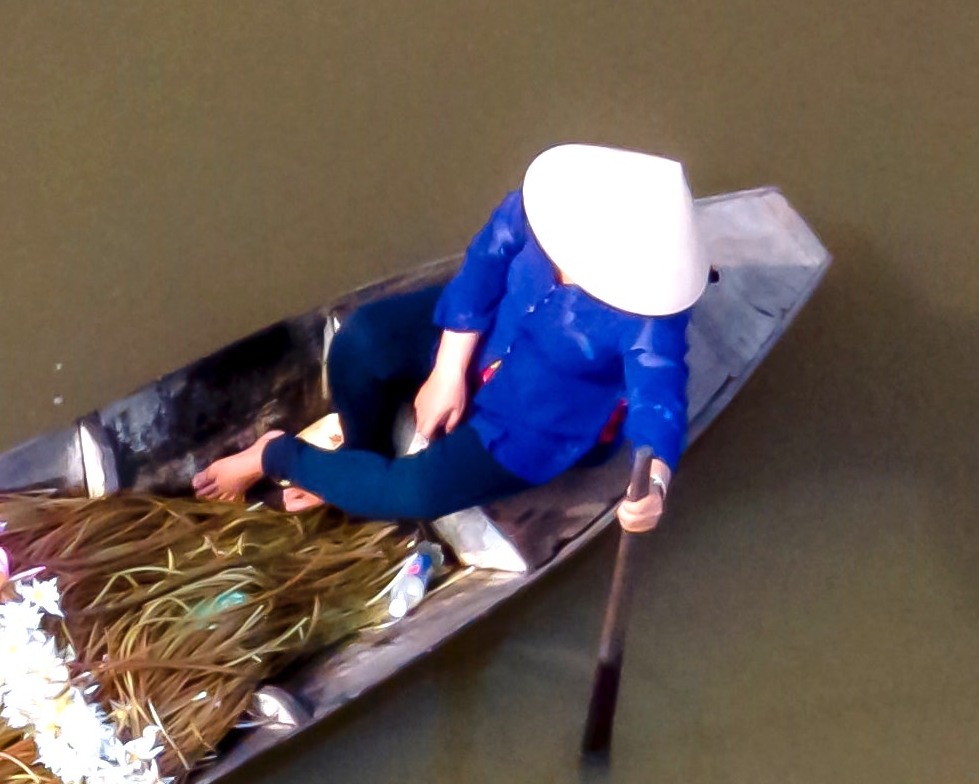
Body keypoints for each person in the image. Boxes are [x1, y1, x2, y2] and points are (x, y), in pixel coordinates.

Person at [189, 141, 705, 550]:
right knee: (360, 343)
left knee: (416, 493)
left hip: (534, 424)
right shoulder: (548, 209)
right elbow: (484, 264)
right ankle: (357, 456)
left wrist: (654, 486)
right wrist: (447, 369)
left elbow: (658, 403)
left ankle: (275, 455)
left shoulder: (649, 314)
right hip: (478, 336)